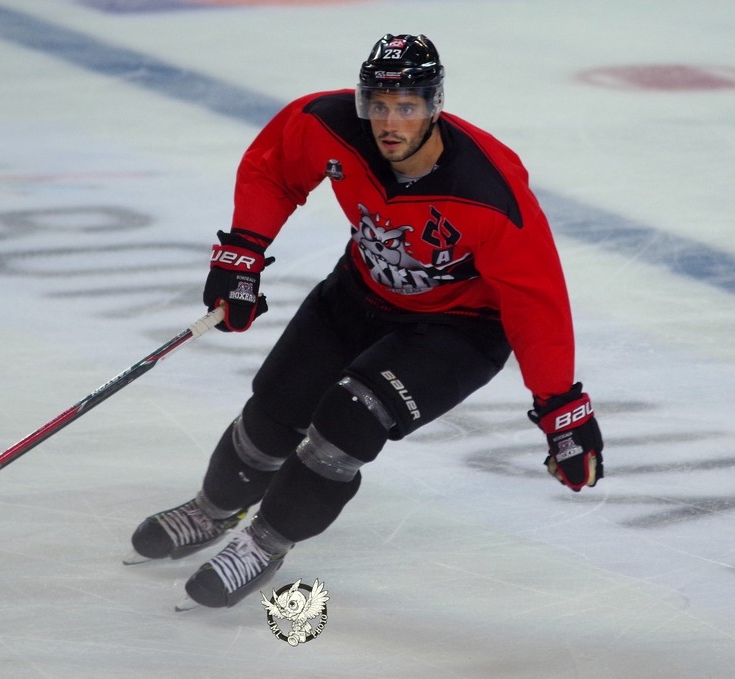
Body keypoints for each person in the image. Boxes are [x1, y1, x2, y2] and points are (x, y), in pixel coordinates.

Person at [123, 33, 604, 609]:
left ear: (434, 106)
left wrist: (560, 412)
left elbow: (537, 302)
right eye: (378, 104)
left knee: (349, 419)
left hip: (459, 327)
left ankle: (266, 542)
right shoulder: (328, 124)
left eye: (406, 106)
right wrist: (243, 252)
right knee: (277, 403)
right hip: (360, 291)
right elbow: (275, 165)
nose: (389, 121)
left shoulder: (488, 194)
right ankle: (213, 508)